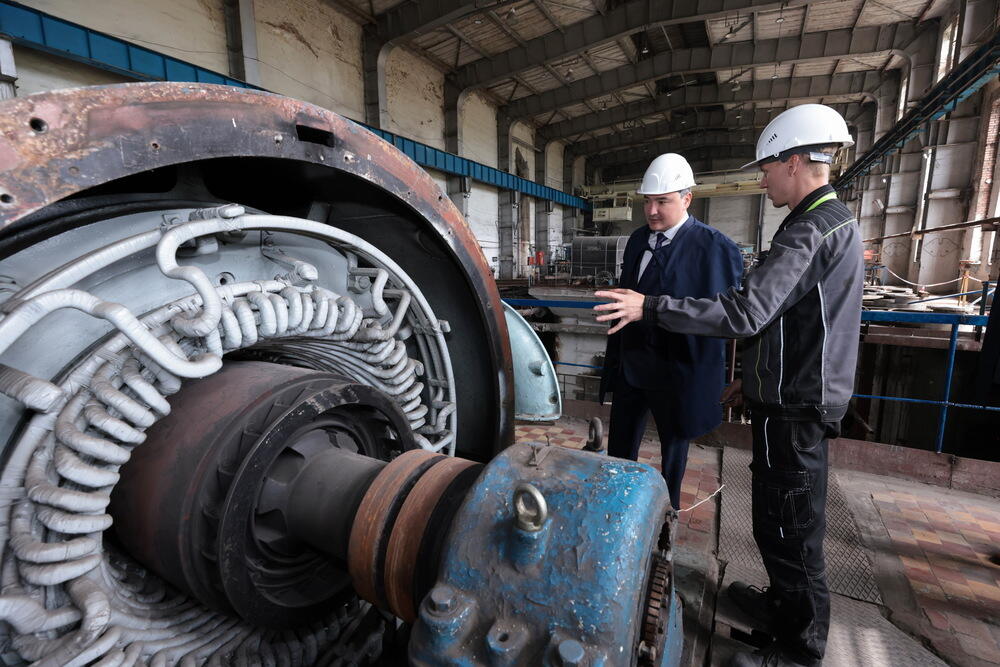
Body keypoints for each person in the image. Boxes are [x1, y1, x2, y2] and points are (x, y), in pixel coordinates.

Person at [594, 104, 862, 667]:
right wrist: (753, 379)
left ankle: (799, 649)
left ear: (794, 161)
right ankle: (783, 611)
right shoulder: (817, 223)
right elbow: (789, 321)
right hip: (783, 392)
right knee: (776, 519)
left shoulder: (813, 228)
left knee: (793, 529)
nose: (760, 178)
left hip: (797, 402)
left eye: (767, 166)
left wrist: (651, 307)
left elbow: (745, 311)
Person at [597, 152, 743, 511]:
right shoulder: (635, 242)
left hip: (679, 372)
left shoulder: (715, 249)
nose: (652, 211)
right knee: (620, 453)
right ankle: (619, 510)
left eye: (662, 201)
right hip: (633, 367)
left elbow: (723, 317)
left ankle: (668, 517)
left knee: (673, 457)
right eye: (647, 201)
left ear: (686, 199)